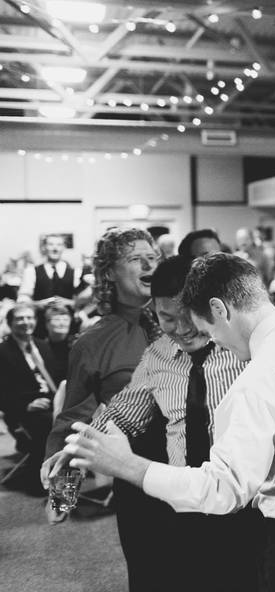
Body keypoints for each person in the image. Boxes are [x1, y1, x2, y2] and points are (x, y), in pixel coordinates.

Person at [64, 253, 275, 592]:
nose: (212, 340)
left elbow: (224, 489)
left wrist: (130, 466)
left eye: (207, 329)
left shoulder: (258, 377)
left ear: (220, 310)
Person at [48, 255, 261, 591]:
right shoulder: (159, 355)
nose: (182, 329)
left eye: (189, 316)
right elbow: (119, 416)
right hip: (183, 501)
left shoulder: (243, 350)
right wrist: (69, 475)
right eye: (167, 318)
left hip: (244, 502)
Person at [41, 227, 165, 592]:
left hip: (198, 466)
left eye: (152, 257)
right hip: (137, 472)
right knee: (149, 570)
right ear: (109, 272)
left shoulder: (182, 323)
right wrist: (63, 494)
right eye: (135, 259)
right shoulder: (92, 342)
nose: (148, 264)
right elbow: (74, 419)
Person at [0, 303, 62, 493]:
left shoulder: (43, 345)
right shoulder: (2, 351)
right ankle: (44, 478)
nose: (26, 322)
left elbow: (56, 378)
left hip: (53, 402)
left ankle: (65, 472)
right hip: (24, 410)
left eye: (30, 317)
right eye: (20, 318)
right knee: (50, 425)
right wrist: (26, 405)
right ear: (9, 323)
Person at [18, 234, 85, 306]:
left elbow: (84, 299)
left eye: (59, 245)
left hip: (67, 316)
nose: (55, 248)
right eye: (50, 244)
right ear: (44, 247)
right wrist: (40, 304)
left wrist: (70, 303)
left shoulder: (75, 272)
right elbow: (23, 300)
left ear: (64, 247)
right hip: (41, 315)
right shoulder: (31, 271)